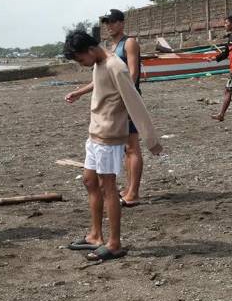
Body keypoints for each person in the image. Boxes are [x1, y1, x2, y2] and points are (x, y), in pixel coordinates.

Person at [63, 29, 163, 262]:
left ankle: (115, 243)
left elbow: (135, 102)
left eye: (80, 60)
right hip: (94, 133)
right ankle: (95, 235)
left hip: (109, 136)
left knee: (108, 187)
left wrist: (152, 141)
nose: (81, 64)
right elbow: (99, 85)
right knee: (90, 181)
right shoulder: (98, 64)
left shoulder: (116, 66)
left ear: (90, 50)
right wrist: (79, 92)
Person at [101, 9, 144, 205]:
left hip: (128, 99)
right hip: (117, 101)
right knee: (127, 147)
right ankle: (128, 188)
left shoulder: (129, 43)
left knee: (133, 146)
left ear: (121, 23)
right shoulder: (111, 46)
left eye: (111, 22)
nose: (108, 26)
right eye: (106, 23)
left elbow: (132, 74)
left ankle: (133, 193)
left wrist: (124, 99)